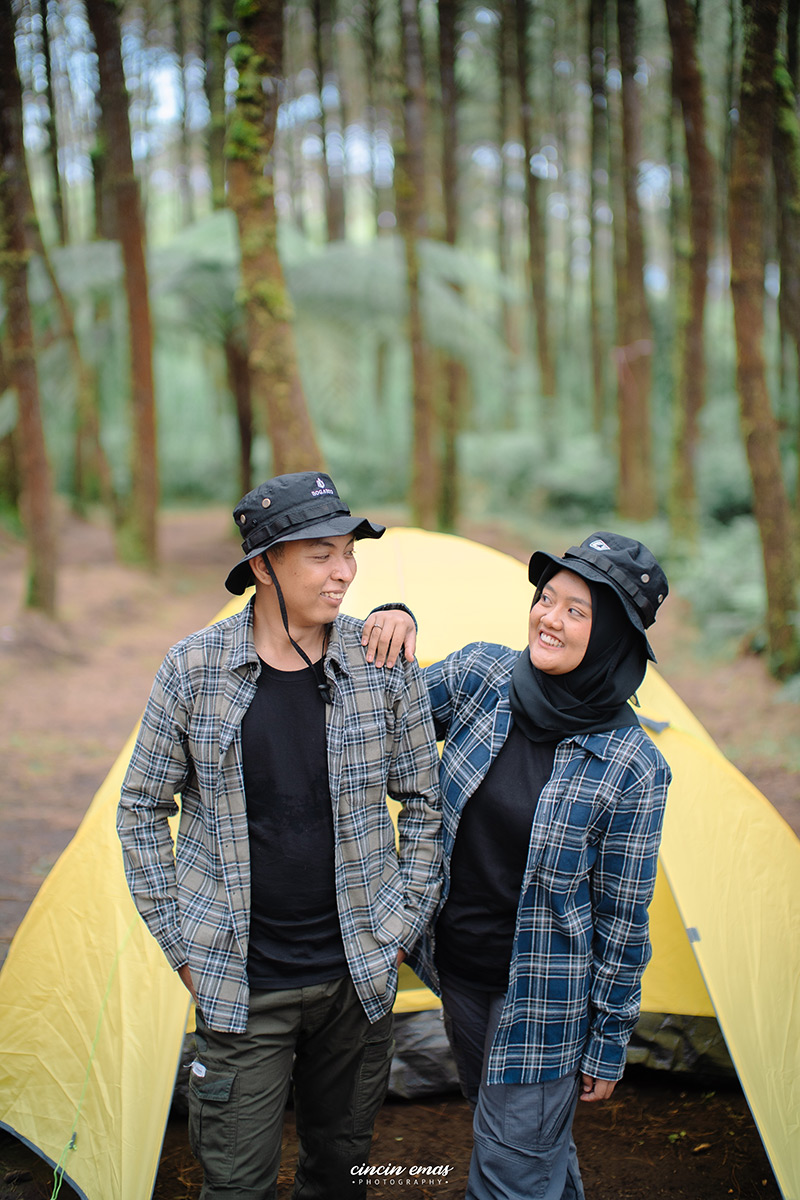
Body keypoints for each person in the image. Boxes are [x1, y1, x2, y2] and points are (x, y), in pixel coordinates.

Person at [117, 471, 441, 1200]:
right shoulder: (193, 670)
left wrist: (398, 929)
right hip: (241, 984)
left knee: (341, 1174)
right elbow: (140, 808)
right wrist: (183, 947)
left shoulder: (382, 664)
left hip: (357, 978)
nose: (344, 571)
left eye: (349, 552)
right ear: (263, 566)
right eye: (321, 554)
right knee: (237, 1185)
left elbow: (425, 804)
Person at [362, 532, 672, 1200]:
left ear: (613, 636)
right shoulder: (483, 678)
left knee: (508, 1173)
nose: (549, 618)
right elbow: (375, 714)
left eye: (576, 611)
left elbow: (623, 921)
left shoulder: (633, 767)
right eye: (546, 598)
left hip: (544, 1003)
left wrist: (609, 1039)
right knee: (525, 1148)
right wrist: (390, 621)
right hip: (457, 971)